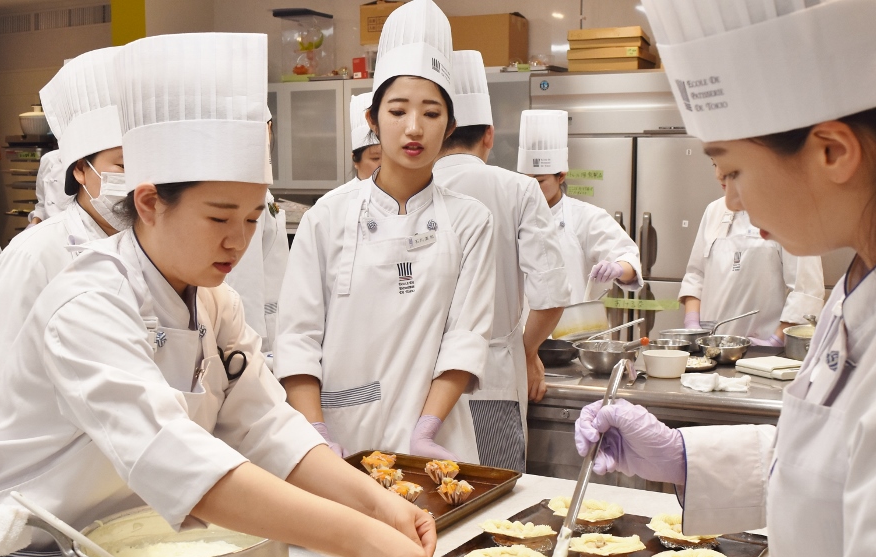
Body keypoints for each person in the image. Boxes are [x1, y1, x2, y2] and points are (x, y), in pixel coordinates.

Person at [0, 32, 436, 557]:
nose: (239, 239)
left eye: (255, 217)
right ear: (151, 201)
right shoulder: (85, 303)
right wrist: (354, 537)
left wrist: (377, 503)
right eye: (218, 217)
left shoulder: (213, 302)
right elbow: (170, 455)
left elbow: (266, 426)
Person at [576, 0, 876, 557]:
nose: (733, 200)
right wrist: (684, 457)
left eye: (734, 169)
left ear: (832, 151)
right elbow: (836, 465)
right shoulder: (861, 289)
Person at [275, 0, 496, 462]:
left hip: (438, 440)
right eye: (397, 111)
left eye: (431, 114)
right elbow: (297, 338)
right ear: (373, 122)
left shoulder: (471, 220)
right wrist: (314, 432)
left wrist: (425, 431)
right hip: (339, 438)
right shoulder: (327, 217)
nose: (414, 128)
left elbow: (466, 337)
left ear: (449, 126)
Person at [433, 50, 569, 470]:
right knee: (496, 511)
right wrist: (527, 352)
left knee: (429, 502)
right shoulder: (519, 190)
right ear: (489, 134)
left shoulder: (411, 188)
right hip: (490, 379)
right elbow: (550, 296)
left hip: (418, 386)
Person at [0, 47, 125, 424]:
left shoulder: (158, 247)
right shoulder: (34, 254)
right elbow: (1, 383)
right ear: (79, 169)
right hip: (49, 462)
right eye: (124, 165)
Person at [680, 162, 825, 344]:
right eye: (715, 164)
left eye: (728, 164)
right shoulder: (714, 210)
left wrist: (775, 341)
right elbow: (696, 275)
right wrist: (692, 323)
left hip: (763, 353)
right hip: (709, 348)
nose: (719, 174)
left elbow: (806, 290)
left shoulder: (790, 210)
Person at [518, 109, 643, 305]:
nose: (532, 188)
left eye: (540, 181)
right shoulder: (513, 216)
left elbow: (628, 258)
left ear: (561, 176)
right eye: (526, 180)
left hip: (571, 328)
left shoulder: (585, 216)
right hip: (522, 331)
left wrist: (618, 268)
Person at [225, 108, 290, 362]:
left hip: (268, 330)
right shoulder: (244, 194)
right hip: (252, 337)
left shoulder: (259, 190)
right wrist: (249, 347)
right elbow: (243, 278)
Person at [27, 149, 70, 225]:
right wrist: (33, 225)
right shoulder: (48, 159)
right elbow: (42, 205)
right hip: (49, 230)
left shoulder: (91, 162)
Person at [350, 92, 381, 181]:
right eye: (376, 158)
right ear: (355, 160)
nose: (385, 166)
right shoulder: (341, 195)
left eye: (390, 159)